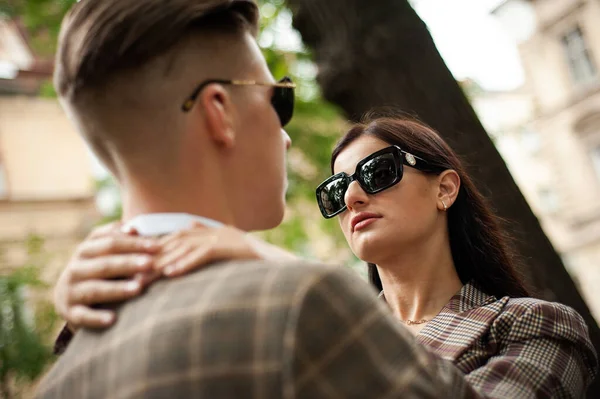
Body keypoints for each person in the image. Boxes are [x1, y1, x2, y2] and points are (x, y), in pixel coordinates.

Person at [36, 0, 479, 398]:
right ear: (219, 112)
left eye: (377, 174)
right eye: (278, 101)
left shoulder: (62, 376)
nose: (284, 138)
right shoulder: (305, 302)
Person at [55, 111, 599, 397]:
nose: (355, 196)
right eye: (336, 191)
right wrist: (88, 309)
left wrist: (274, 265)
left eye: (377, 173)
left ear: (445, 189)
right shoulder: (295, 328)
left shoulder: (537, 327)